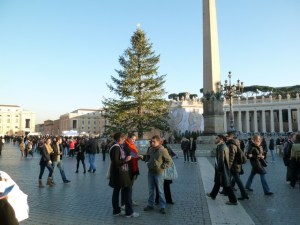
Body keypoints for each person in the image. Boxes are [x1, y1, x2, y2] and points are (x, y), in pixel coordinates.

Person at [108, 132, 139, 218]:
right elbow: (116, 162)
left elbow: (129, 152)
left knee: (117, 191)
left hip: (119, 173)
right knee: (127, 190)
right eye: (124, 138)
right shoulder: (116, 148)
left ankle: (116, 211)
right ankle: (129, 212)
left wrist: (136, 156)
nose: (125, 140)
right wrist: (126, 160)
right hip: (121, 173)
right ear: (120, 139)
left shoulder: (119, 146)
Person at [143, 135, 173, 214]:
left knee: (160, 190)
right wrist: (147, 162)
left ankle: (162, 206)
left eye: (154, 142)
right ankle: (150, 204)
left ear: (159, 142)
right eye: (151, 141)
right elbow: (147, 157)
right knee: (151, 190)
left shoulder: (163, 150)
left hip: (159, 173)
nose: (152, 143)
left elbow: (169, 161)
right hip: (150, 172)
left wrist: (163, 167)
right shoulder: (150, 149)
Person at [206, 134, 238, 205]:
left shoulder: (221, 147)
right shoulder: (222, 146)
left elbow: (221, 160)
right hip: (222, 169)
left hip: (222, 169)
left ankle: (233, 200)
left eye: (216, 138)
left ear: (221, 139)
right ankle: (213, 194)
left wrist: (219, 170)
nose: (215, 139)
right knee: (218, 182)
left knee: (227, 185)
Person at [155, 139, 177, 205]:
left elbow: (173, 155)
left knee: (163, 186)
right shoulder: (155, 148)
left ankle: (161, 200)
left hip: (165, 169)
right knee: (161, 186)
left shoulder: (166, 148)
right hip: (161, 169)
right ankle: (163, 200)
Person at [122, 133, 140, 207]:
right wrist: (137, 156)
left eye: (135, 139)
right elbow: (130, 153)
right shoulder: (125, 145)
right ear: (128, 138)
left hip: (134, 168)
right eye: (132, 139)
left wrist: (137, 157)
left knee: (130, 187)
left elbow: (134, 154)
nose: (133, 141)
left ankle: (129, 200)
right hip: (128, 169)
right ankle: (123, 203)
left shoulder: (132, 145)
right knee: (126, 187)